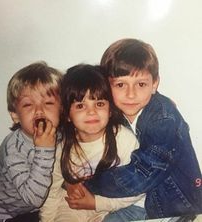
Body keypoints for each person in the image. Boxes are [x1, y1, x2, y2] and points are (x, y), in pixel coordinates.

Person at [84, 38, 202, 220]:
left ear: (154, 84)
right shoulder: (112, 111)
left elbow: (143, 174)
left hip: (173, 204)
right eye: (120, 84)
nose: (131, 94)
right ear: (107, 86)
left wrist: (89, 184)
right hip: (137, 201)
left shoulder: (163, 119)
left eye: (141, 84)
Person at [39, 64, 146, 222]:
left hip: (115, 206)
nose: (91, 112)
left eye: (100, 104)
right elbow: (51, 189)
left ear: (110, 110)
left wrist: (96, 203)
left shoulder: (123, 140)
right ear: (67, 114)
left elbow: (138, 190)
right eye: (81, 106)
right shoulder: (61, 145)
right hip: (73, 206)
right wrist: (46, 220)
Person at [0, 61, 62, 222]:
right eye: (28, 105)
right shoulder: (14, 147)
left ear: (62, 109)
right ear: (15, 115)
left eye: (48, 103)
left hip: (20, 211)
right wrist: (45, 149)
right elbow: (34, 198)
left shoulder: (61, 135)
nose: (39, 110)